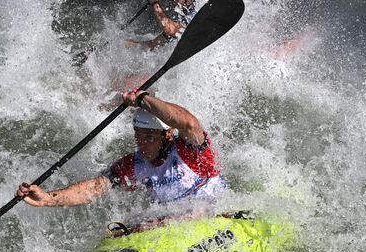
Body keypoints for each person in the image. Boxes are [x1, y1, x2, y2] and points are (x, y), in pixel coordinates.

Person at [16, 89, 226, 208]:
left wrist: (143, 99)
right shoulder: (133, 165)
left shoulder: (190, 151)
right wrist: (48, 199)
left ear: (168, 134)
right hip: (175, 226)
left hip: (214, 214)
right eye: (139, 137)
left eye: (150, 137)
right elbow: (94, 188)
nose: (142, 144)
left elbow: (189, 123)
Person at [125, 0, 200, 50]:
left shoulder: (196, 13)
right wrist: (129, 44)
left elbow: (170, 29)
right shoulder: (182, 19)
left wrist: (155, 4)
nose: (175, 1)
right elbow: (152, 45)